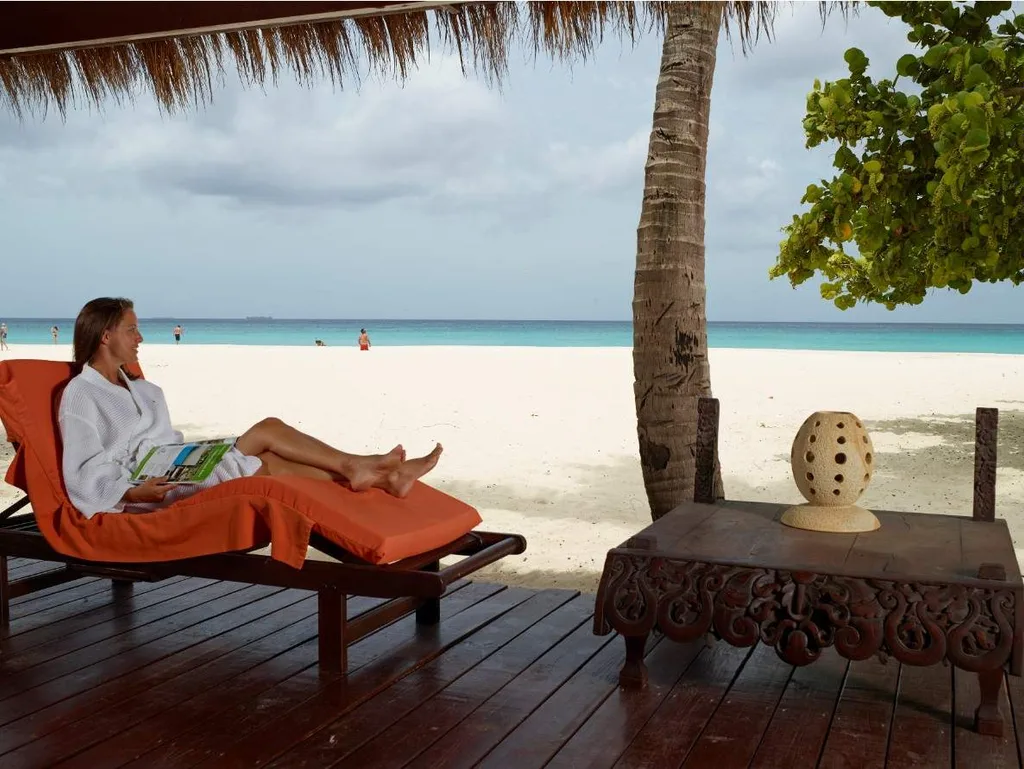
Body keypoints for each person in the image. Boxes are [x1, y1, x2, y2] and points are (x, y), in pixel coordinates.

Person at [59, 297, 443, 517]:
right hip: (148, 486)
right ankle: (357, 466)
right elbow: (81, 472)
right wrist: (131, 493)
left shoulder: (143, 389)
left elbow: (162, 443)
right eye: (131, 329)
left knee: (272, 464)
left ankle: (381, 477)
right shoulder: (81, 394)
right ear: (106, 335)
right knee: (267, 431)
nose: (140, 337)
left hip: (176, 464)